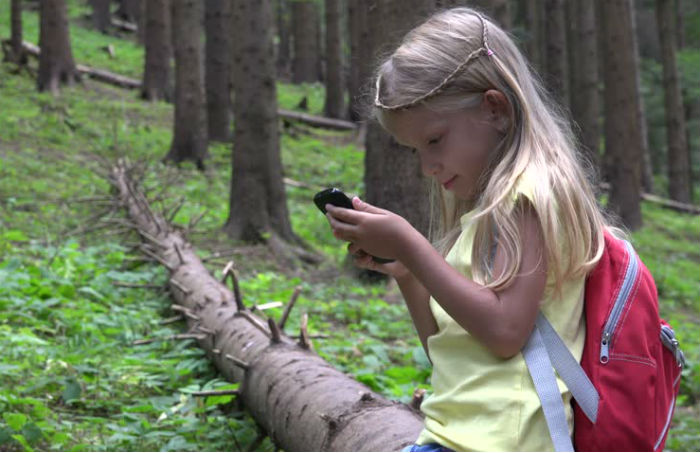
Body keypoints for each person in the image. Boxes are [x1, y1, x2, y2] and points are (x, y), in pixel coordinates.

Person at [324, 7, 619, 452]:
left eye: (435, 140)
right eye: (415, 150)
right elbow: (454, 350)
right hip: (455, 438)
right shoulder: (482, 212)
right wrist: (408, 271)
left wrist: (410, 242)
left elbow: (504, 333)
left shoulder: (530, 194)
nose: (427, 166)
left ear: (494, 108)